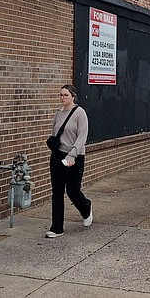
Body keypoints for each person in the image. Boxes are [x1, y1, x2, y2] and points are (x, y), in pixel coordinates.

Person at [46, 84, 92, 238]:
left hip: (75, 156)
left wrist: (72, 155)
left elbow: (82, 137)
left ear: (73, 96)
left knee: (72, 190)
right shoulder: (58, 113)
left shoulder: (80, 113)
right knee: (57, 191)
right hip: (58, 156)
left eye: (65, 95)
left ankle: (86, 208)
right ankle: (56, 227)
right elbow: (55, 132)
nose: (62, 98)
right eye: (60, 95)